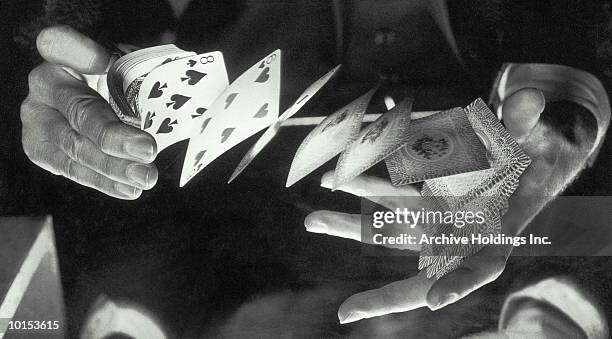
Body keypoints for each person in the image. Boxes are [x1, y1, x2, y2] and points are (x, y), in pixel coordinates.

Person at [11, 0, 612, 336]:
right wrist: (87, 77)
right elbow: (90, 37)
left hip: (510, 259)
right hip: (245, 254)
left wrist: (545, 163)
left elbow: (567, 82)